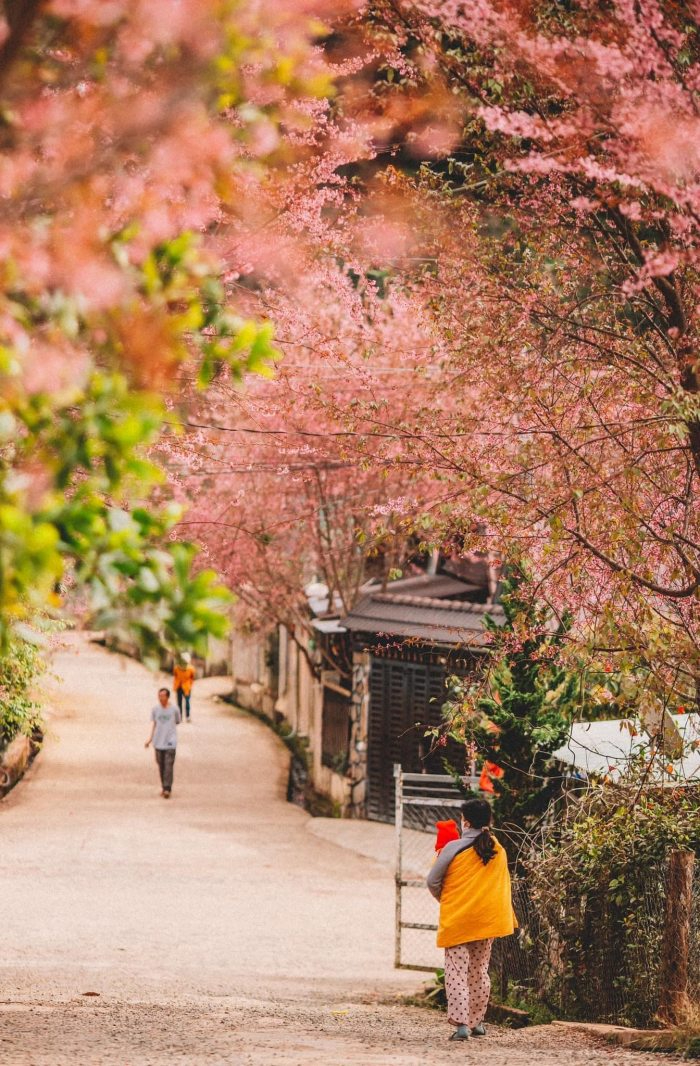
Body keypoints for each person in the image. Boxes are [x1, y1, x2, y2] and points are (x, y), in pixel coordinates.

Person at [427, 798, 516, 1041]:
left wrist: (450, 900)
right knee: (479, 971)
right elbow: (500, 886)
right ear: (489, 821)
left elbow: (432, 881)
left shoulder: (453, 848)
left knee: (456, 972)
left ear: (465, 821)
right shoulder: (498, 849)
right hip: (487, 920)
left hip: (459, 919)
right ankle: (477, 1022)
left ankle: (462, 1026)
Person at [144, 686, 181, 798]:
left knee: (168, 765)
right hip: (158, 742)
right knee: (161, 765)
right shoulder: (155, 709)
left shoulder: (174, 709)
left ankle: (167, 788)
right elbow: (155, 724)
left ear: (168, 697)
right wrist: (150, 739)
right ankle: (163, 786)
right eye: (159, 696)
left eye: (163, 696)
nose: (161, 698)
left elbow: (178, 721)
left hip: (170, 742)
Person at [173, 652, 195, 722]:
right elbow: (175, 676)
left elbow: (192, 678)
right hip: (179, 686)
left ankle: (187, 716)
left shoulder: (191, 669)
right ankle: (179, 717)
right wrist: (176, 685)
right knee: (179, 702)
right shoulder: (176, 668)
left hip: (187, 687)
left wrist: (190, 685)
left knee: (187, 702)